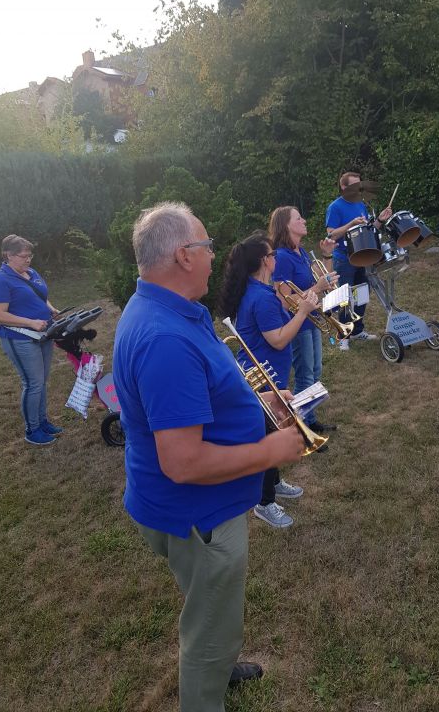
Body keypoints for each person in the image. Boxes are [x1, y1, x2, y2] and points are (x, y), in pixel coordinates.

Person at [112, 202, 304, 712]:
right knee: (210, 628)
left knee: (211, 605)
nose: (215, 255)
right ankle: (208, 680)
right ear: (183, 255)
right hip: (199, 514)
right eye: (207, 245)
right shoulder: (164, 338)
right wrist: (269, 449)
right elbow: (183, 463)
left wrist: (258, 402)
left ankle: (218, 662)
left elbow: (201, 390)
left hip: (194, 512)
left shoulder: (168, 308)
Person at [218, 232, 318, 529]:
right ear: (265, 261)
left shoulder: (258, 290)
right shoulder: (261, 297)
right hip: (263, 377)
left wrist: (290, 307)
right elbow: (278, 339)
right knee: (266, 438)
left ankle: (274, 483)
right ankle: (264, 503)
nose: (276, 258)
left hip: (270, 373)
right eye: (273, 254)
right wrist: (303, 311)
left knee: (273, 431)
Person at [0, 235, 62, 446]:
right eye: (23, 256)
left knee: (42, 381)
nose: (28, 259)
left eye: (30, 255)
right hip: (20, 338)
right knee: (33, 383)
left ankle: (43, 422)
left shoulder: (32, 273)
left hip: (44, 333)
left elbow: (40, 296)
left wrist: (51, 309)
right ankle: (32, 430)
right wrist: (30, 322)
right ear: (8, 255)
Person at [268, 206, 337, 437]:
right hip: (297, 324)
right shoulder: (281, 257)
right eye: (298, 218)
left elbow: (320, 279)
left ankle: (310, 419)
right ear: (286, 226)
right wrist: (317, 288)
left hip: (312, 319)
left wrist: (327, 256)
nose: (304, 220)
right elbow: (284, 301)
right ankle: (301, 429)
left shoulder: (301, 252)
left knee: (315, 371)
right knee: (305, 375)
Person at [325, 171, 393, 351]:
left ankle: (357, 331)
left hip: (363, 257)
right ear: (343, 187)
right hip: (344, 259)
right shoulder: (335, 207)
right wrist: (350, 224)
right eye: (354, 185)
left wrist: (380, 220)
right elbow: (331, 234)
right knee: (345, 298)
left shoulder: (360, 204)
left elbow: (369, 229)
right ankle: (344, 335)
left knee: (362, 295)